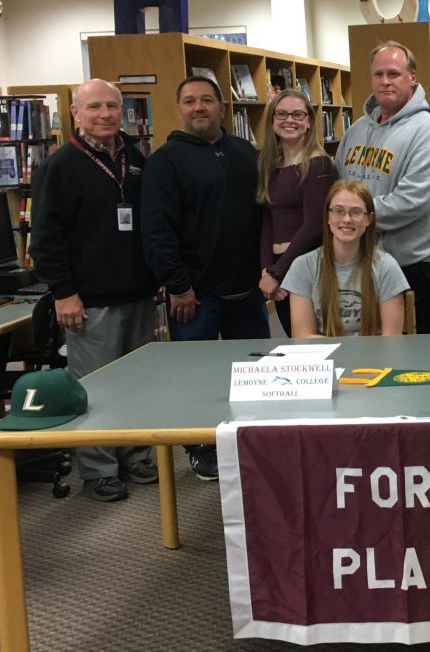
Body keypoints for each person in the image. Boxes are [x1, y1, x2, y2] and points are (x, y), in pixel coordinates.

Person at [29, 78, 159, 503]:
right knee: (95, 387)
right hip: (89, 301)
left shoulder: (135, 158)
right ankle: (99, 469)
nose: (104, 114)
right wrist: (64, 292)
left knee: (139, 383)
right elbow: (46, 238)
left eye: (112, 106)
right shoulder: (60, 166)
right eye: (94, 107)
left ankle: (137, 455)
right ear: (75, 113)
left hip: (139, 293)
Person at [142, 75, 270, 481]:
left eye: (207, 100)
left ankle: (250, 439)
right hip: (194, 296)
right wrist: (178, 285)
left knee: (257, 374)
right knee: (194, 380)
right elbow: (157, 229)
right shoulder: (165, 161)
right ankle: (201, 449)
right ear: (179, 109)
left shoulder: (245, 151)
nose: (199, 107)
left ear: (222, 107)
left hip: (247, 291)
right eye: (190, 101)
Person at [336, 41, 430, 334]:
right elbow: (340, 182)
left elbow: (414, 200)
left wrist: (353, 218)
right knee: (378, 339)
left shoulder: (429, 131)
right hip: (367, 257)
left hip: (420, 259)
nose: (385, 81)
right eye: (378, 75)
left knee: (424, 344)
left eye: (394, 73)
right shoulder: (355, 131)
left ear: (412, 77)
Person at [256, 89, 337, 336]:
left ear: (309, 121)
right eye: (281, 114)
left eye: (297, 114)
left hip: (309, 269)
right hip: (279, 271)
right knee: (295, 343)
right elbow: (267, 220)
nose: (289, 120)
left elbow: (314, 226)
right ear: (271, 120)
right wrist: (266, 269)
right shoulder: (270, 164)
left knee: (314, 345)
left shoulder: (318, 164)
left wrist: (277, 272)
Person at [283, 180, 408, 337]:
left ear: (369, 219)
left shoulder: (386, 266)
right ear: (328, 216)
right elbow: (303, 337)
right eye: (338, 211)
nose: (347, 219)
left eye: (356, 212)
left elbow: (391, 340)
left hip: (374, 359)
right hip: (326, 359)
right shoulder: (303, 266)